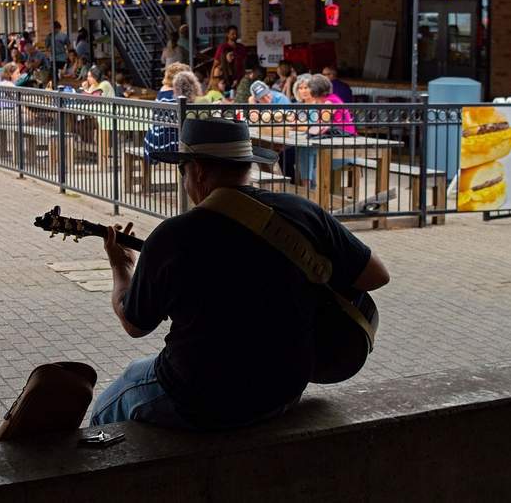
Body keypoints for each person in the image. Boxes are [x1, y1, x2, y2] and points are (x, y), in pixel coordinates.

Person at [90, 117, 390, 429]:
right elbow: (376, 275)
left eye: (183, 170)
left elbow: (134, 325)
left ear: (198, 170)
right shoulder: (303, 212)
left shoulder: (173, 236)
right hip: (283, 390)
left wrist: (120, 268)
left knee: (106, 409)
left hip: (197, 397)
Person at [144, 62, 191, 155]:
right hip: (165, 141)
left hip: (152, 138)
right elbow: (181, 119)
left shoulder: (163, 90)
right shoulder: (173, 95)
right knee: (195, 146)